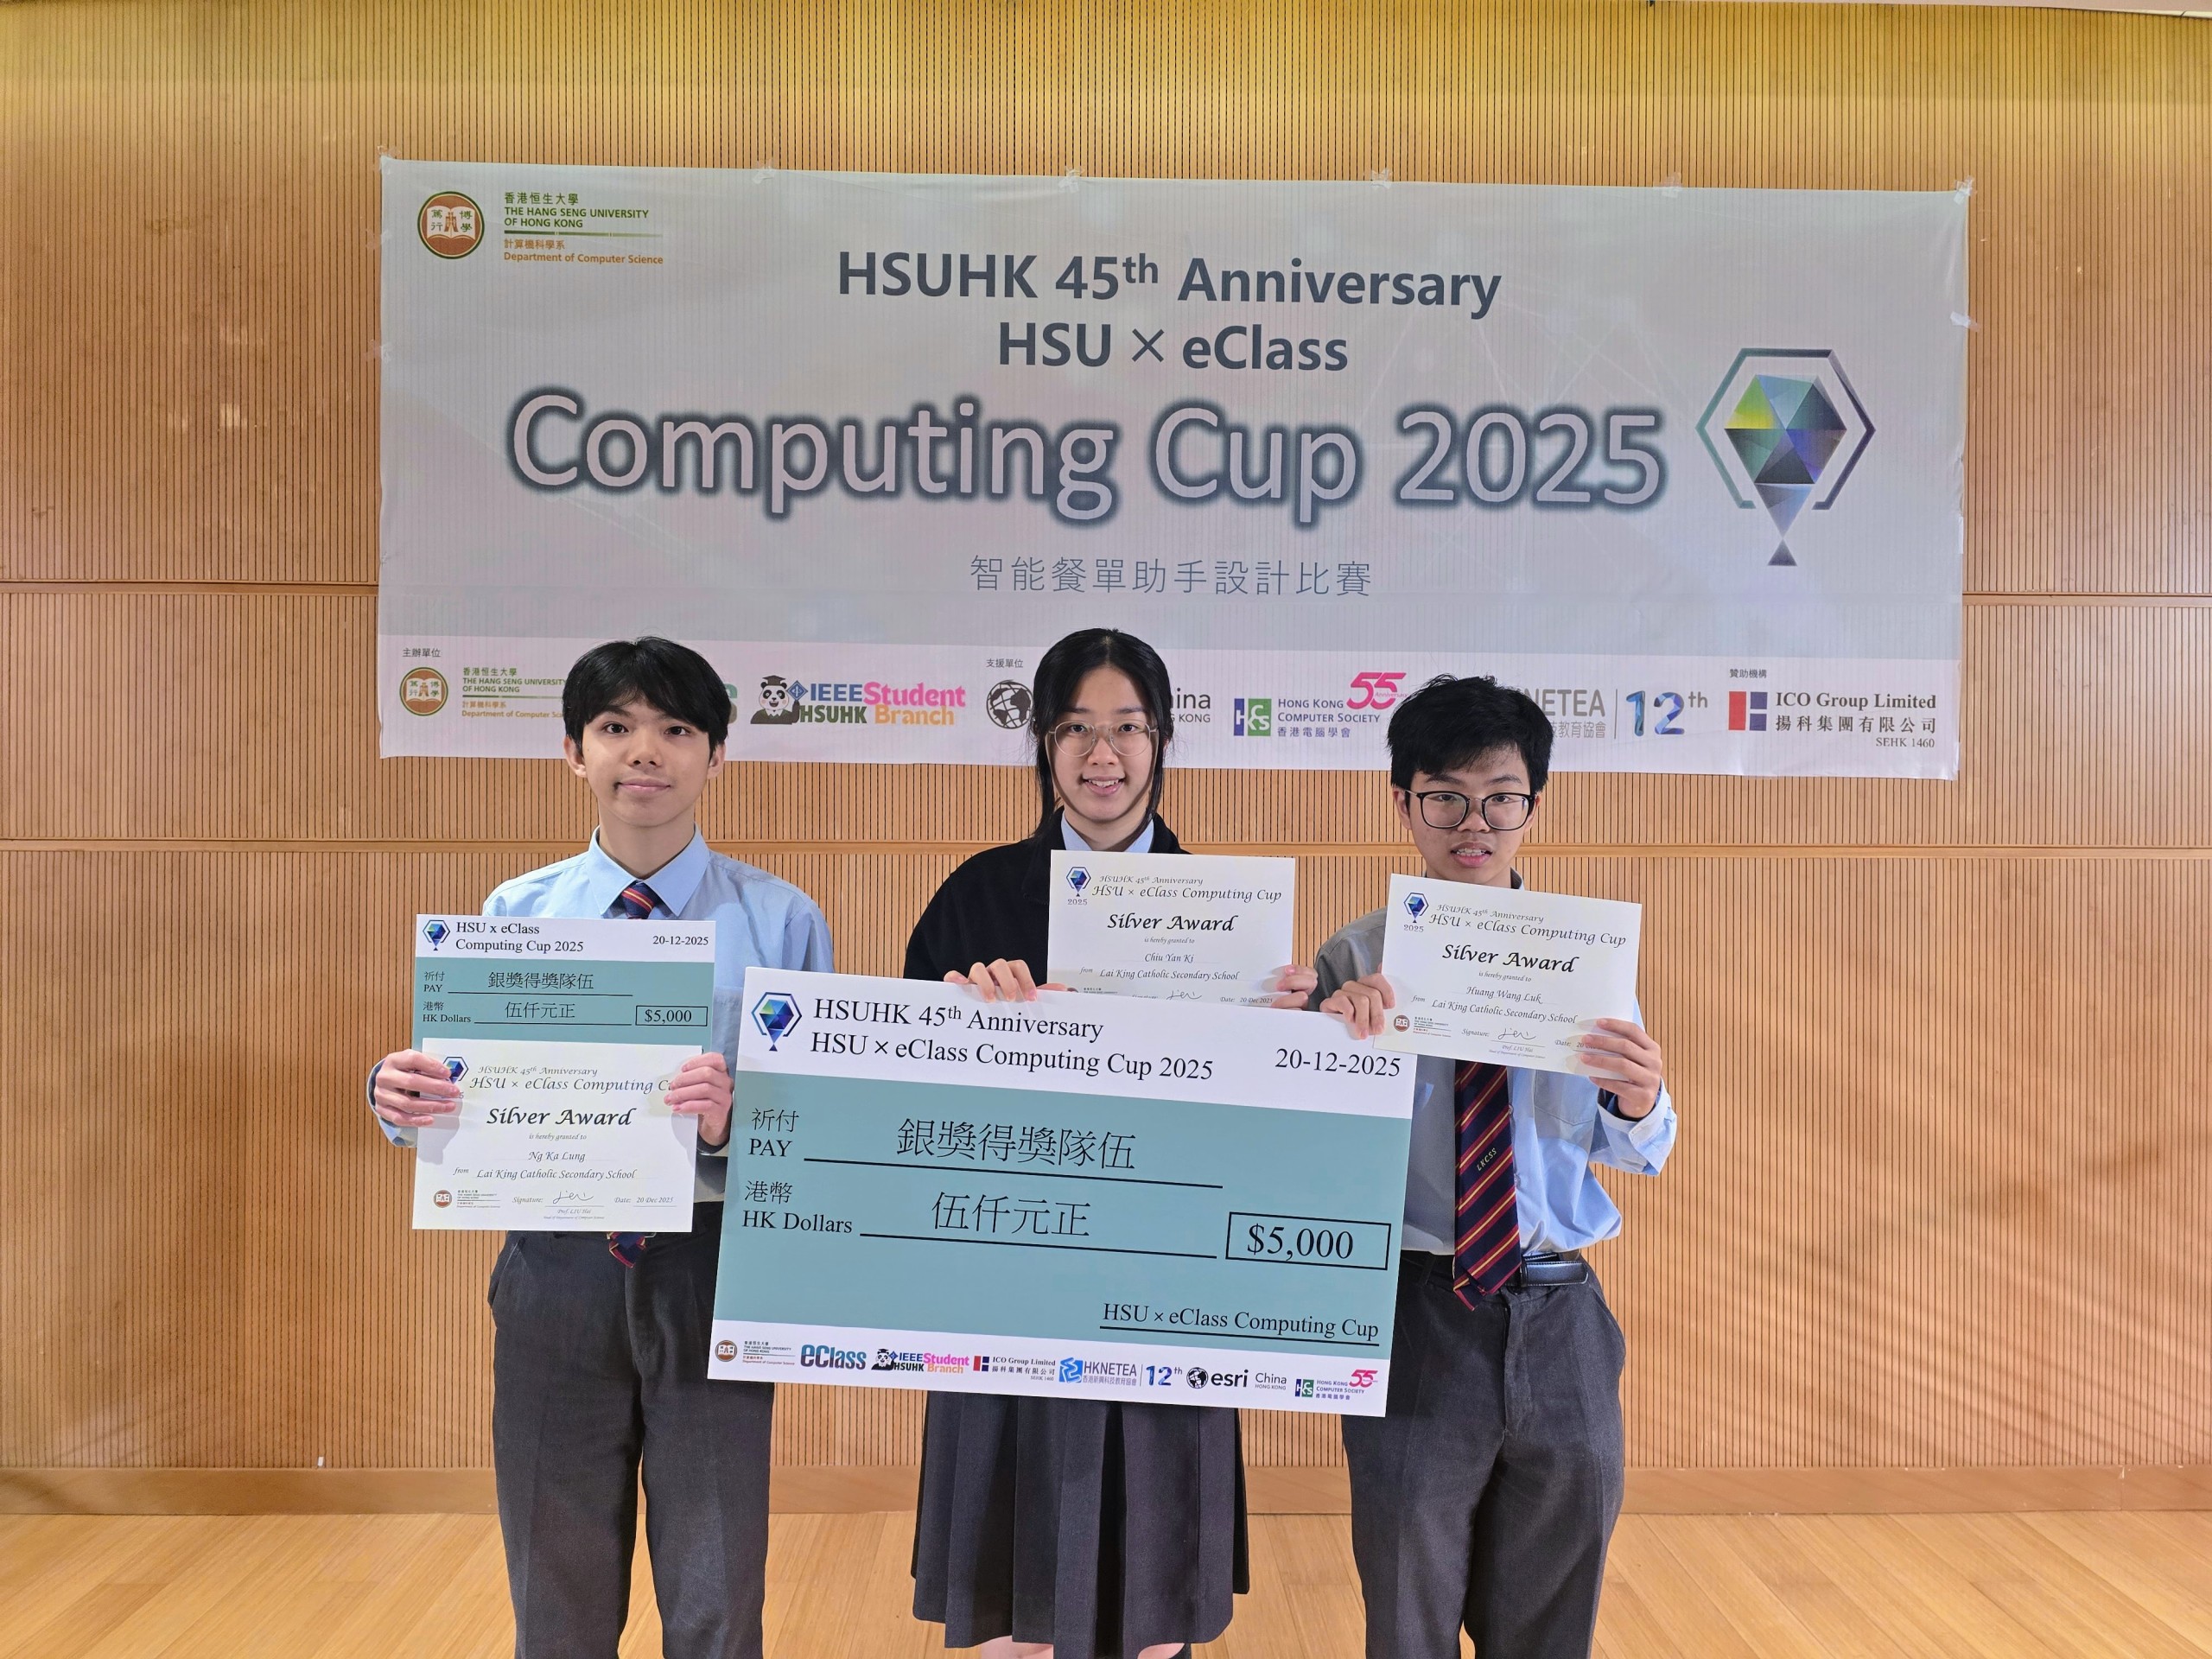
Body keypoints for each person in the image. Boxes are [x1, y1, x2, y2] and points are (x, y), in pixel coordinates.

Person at [365, 638, 833, 1659]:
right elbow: (464, 1095)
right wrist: (401, 1098)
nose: (645, 751)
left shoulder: (783, 921)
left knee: (715, 1584)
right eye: (616, 727)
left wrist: (736, 1123)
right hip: (555, 1271)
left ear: (717, 754)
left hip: (709, 1270)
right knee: (557, 1583)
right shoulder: (512, 915)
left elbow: (817, 1134)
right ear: (574, 751)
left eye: (676, 728)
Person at [904, 627, 1315, 1659]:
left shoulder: (1229, 919)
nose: (1103, 755)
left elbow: (1257, 1135)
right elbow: (902, 1101)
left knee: (1152, 1599)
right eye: (1075, 729)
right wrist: (957, 1020)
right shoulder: (976, 895)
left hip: (1166, 1284)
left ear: (1162, 739)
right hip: (1009, 1275)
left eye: (1127, 728)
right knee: (1010, 1600)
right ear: (1042, 743)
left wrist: (1291, 1036)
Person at [1312, 674, 1675, 1659]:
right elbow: (1309, 1148)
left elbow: (1636, 1145)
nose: (1473, 823)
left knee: (1555, 1607)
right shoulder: (1353, 959)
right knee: (1409, 1604)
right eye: (1445, 797)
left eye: (1500, 798)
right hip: (1416, 1304)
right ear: (1405, 805)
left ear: (1532, 809)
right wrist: (1327, 1047)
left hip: (1561, 1311)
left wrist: (1639, 1097)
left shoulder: (1584, 955)